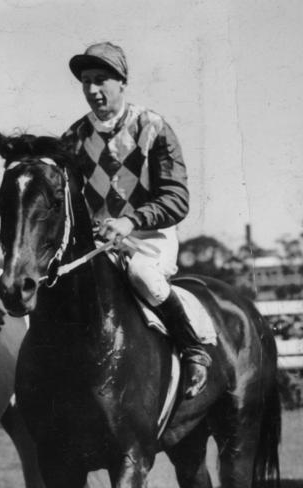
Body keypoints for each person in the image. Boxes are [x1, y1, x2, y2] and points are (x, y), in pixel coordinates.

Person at [62, 42, 211, 398]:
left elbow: (177, 198)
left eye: (101, 80)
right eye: (86, 81)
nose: (93, 90)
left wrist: (131, 220)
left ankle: (193, 350)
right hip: (98, 242)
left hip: (148, 236)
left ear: (122, 81)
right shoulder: (72, 138)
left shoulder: (153, 127)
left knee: (142, 274)